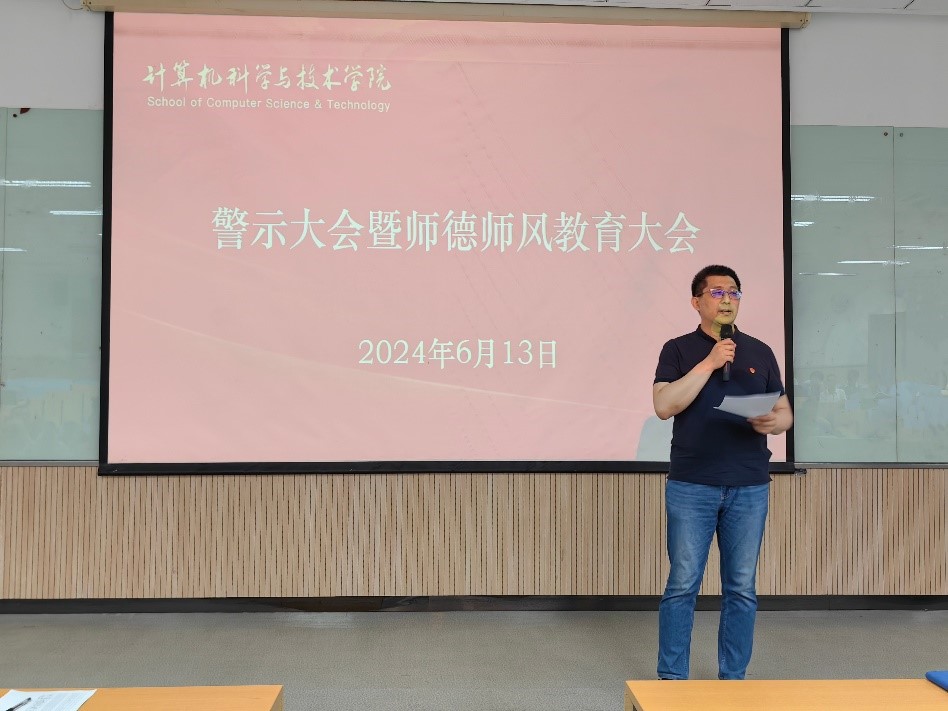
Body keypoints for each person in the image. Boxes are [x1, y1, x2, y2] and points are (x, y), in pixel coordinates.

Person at [652, 264, 793, 680]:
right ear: (696, 302)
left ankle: (733, 680)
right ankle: (672, 679)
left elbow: (784, 410)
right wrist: (710, 363)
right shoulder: (678, 349)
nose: (727, 299)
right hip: (692, 484)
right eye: (717, 292)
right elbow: (664, 406)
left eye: (734, 292)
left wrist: (776, 422)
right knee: (682, 585)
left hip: (749, 485)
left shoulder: (760, 351)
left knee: (742, 588)